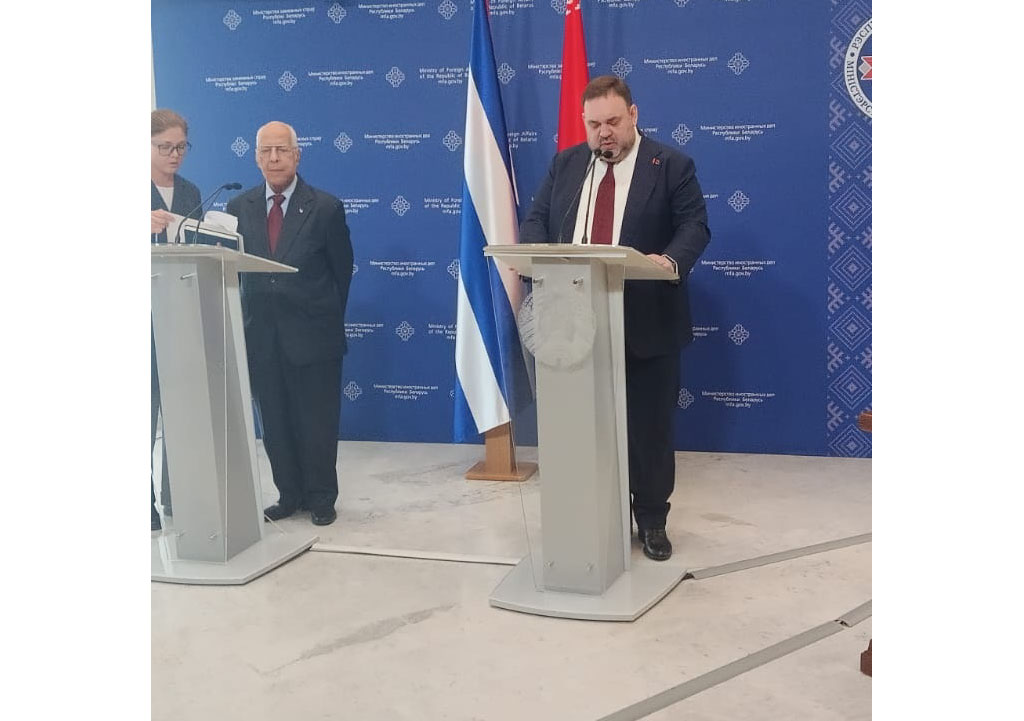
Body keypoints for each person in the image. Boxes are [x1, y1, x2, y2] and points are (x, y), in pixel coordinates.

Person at [520, 76, 711, 561]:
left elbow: (695, 226)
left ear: (633, 115)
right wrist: (538, 254)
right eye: (593, 124)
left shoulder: (670, 165)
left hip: (646, 320)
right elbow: (537, 219)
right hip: (573, 322)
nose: (603, 133)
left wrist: (670, 260)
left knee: (648, 431)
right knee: (583, 431)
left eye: (612, 121)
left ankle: (652, 520)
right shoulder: (566, 165)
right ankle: (595, 519)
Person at [227, 121, 353, 526]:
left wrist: (320, 317)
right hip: (262, 336)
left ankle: (321, 497)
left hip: (313, 336)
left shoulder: (326, 207)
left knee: (317, 422)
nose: (274, 158)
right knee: (275, 422)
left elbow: (341, 274)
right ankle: (289, 494)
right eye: (266, 151)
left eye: (282, 150)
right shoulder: (239, 207)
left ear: (297, 155)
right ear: (256, 158)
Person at [150, 109, 202, 531]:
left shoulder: (191, 191)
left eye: (181, 147)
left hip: (181, 315)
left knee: (182, 413)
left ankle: (177, 495)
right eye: (165, 146)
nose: (174, 154)